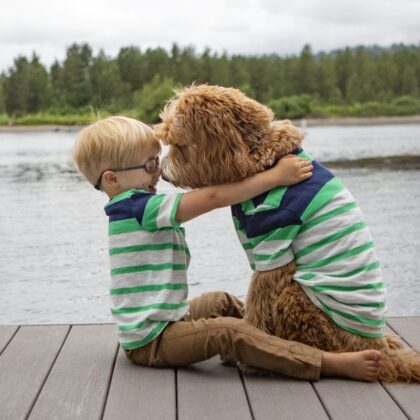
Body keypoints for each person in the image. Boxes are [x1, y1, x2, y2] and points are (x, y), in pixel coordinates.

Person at [73, 116, 380, 382]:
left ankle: (270, 343)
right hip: (152, 341)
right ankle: (324, 363)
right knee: (229, 332)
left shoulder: (133, 208)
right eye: (150, 164)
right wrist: (274, 177)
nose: (159, 172)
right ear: (113, 178)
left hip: (167, 319)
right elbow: (214, 197)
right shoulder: (138, 209)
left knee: (222, 302)